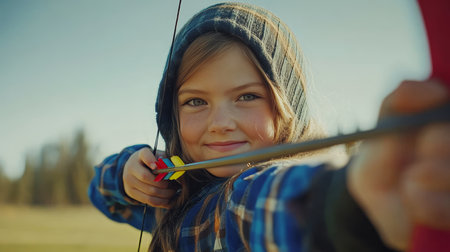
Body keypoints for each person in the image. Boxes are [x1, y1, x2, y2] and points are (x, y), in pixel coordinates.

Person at [88, 2, 450, 251]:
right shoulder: (177, 196)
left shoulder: (256, 193)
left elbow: (251, 206)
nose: (220, 124)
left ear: (286, 107)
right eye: (195, 101)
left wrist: (348, 205)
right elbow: (103, 195)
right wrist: (128, 173)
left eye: (246, 97)